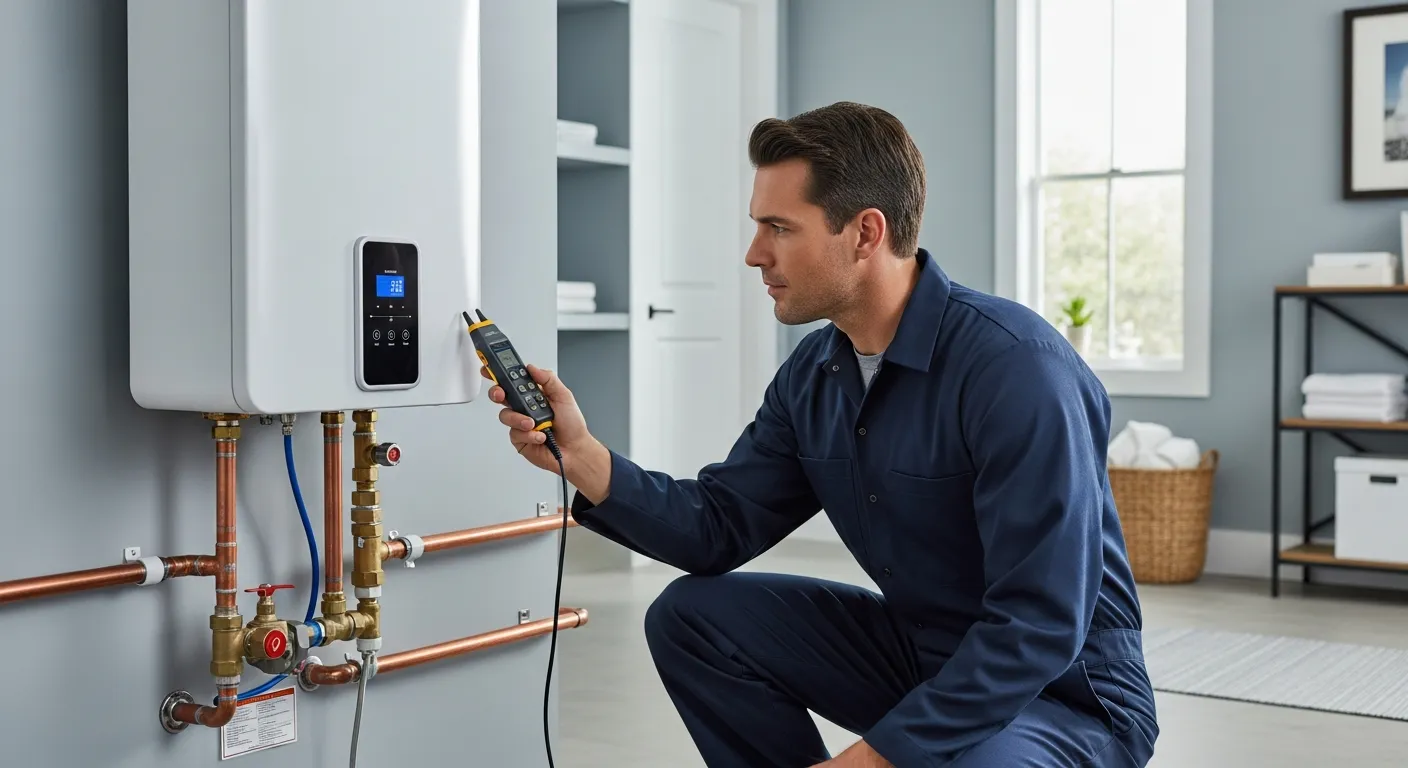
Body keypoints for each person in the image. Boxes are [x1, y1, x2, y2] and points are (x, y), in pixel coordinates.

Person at [487, 101, 1158, 767]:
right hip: (923, 657)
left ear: (865, 233)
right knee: (692, 618)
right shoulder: (815, 372)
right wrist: (582, 456)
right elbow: (718, 526)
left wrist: (868, 760)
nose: (754, 254)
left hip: (1064, 698)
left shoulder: (1017, 369)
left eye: (779, 227)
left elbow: (1038, 624)